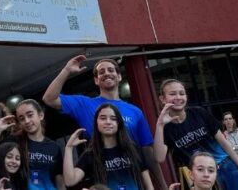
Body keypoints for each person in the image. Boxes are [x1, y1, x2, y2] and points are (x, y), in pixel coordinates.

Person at [42, 56, 164, 188]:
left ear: (119, 77)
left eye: (111, 70)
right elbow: (49, 99)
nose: (106, 73)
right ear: (96, 80)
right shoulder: (84, 104)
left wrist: (162, 186)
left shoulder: (135, 111)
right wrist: (66, 70)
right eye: (101, 72)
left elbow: (147, 152)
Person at [154, 79, 238, 190]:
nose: (178, 97)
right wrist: (160, 125)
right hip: (202, 178)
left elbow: (226, 145)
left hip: (227, 167)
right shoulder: (165, 129)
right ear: (162, 99)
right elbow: (159, 158)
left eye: (182, 93)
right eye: (172, 94)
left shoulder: (199, 113)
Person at [0, 99, 65, 190]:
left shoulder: (54, 147)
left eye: (30, 115)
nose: (27, 121)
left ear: (41, 115)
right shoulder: (14, 141)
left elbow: (59, 181)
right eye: (21, 118)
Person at [63, 104, 154, 190]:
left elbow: (148, 183)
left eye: (113, 119)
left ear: (119, 123)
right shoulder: (90, 154)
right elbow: (70, 181)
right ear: (96, 122)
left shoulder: (133, 148)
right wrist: (68, 148)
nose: (108, 122)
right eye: (103, 118)